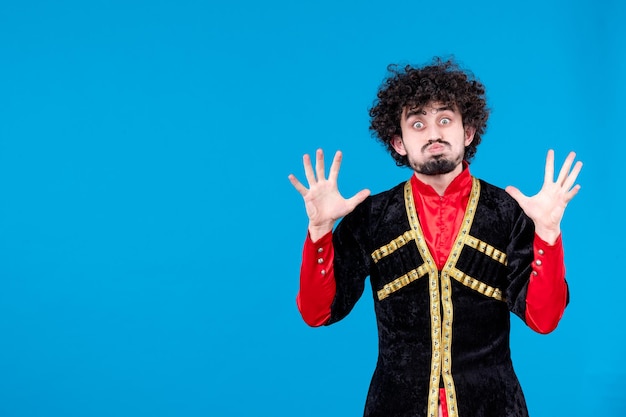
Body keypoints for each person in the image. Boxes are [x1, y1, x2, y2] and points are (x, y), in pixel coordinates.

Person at [287, 57, 582, 417]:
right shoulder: (372, 217)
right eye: (417, 123)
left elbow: (544, 320)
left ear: (467, 132)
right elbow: (318, 313)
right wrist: (319, 233)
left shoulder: (509, 213)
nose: (433, 133)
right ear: (398, 142)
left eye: (445, 119)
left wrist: (548, 235)